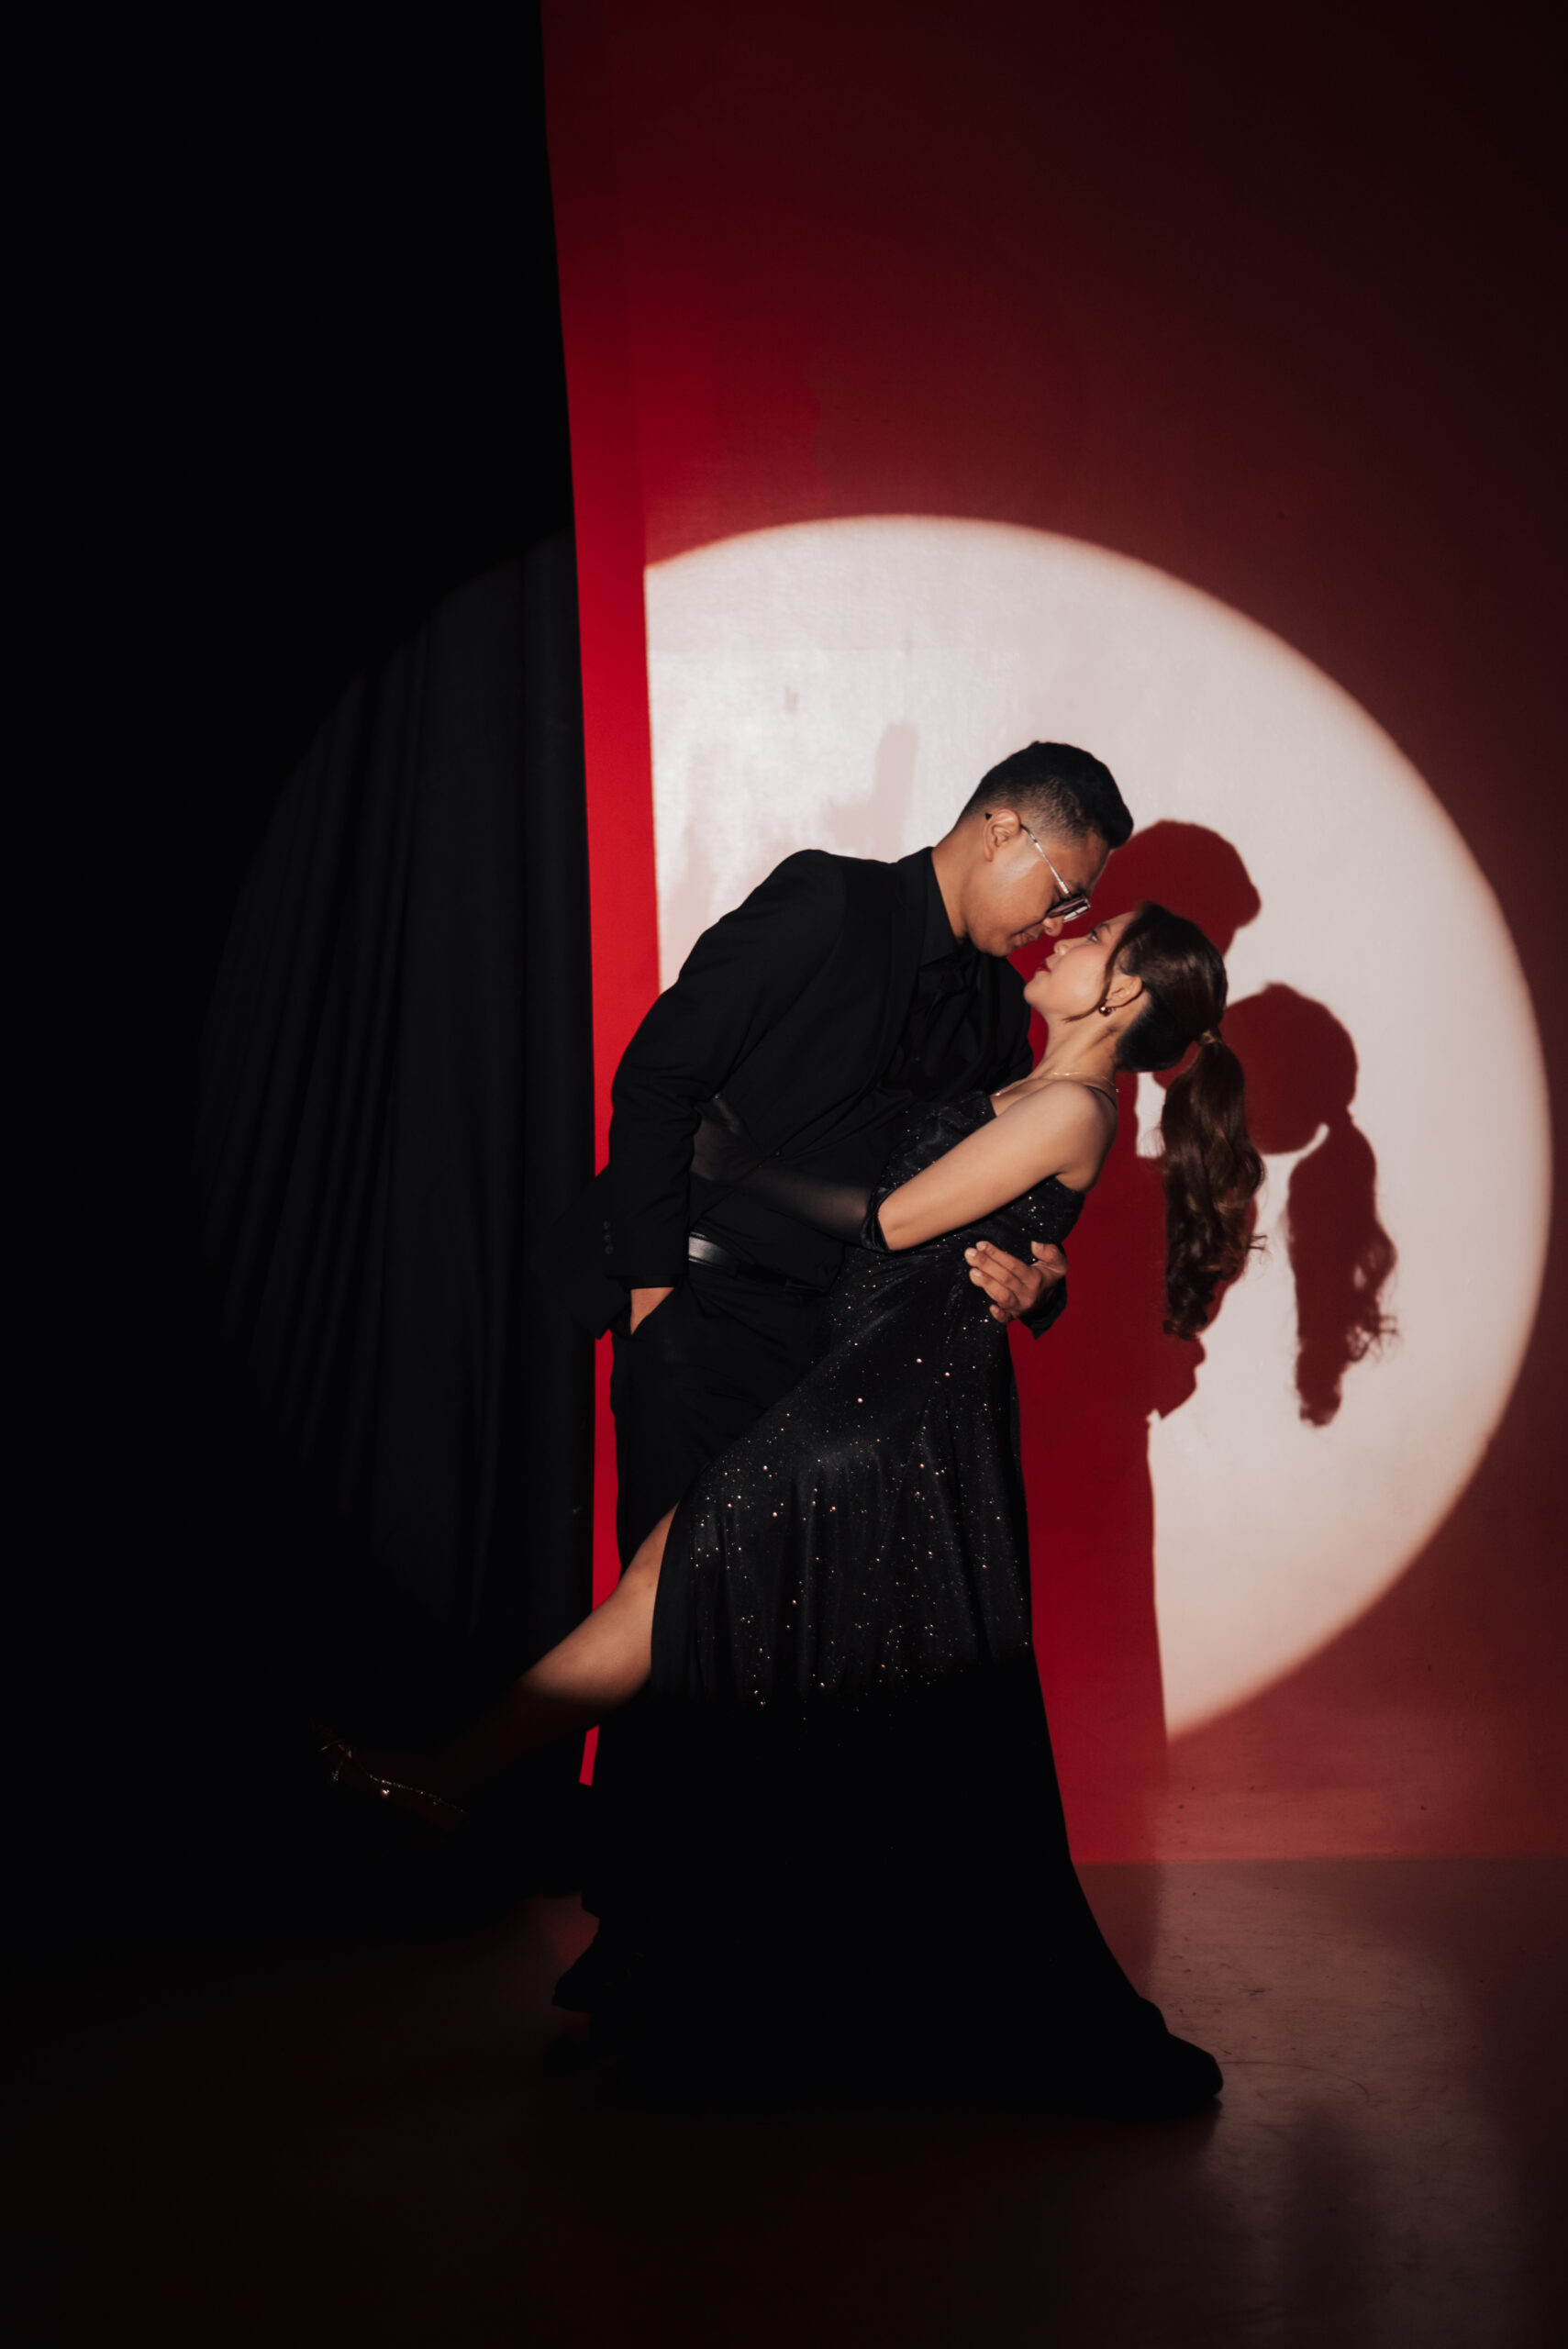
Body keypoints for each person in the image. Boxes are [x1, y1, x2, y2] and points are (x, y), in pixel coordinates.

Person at [322, 898, 1264, 2117]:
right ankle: (490, 1802)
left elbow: (895, 1220)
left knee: (677, 1593)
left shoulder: (1076, 1109)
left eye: (1095, 940)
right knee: (701, 1612)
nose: (1063, 940)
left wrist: (734, 1165)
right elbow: (953, 1220)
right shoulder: (1031, 1088)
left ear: (1122, 994)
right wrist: (1041, 1271)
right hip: (858, 1390)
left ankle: (454, 1779)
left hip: (889, 1415)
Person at [554, 741, 1132, 2011]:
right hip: (701, 1308)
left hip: (837, 1366)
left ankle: (756, 1949)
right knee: (669, 1626)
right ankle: (633, 1950)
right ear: (1001, 828)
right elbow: (659, 1074)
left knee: (777, 1644)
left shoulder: (997, 1015)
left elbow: (990, 1199)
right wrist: (652, 1304)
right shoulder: (828, 903)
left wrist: (1044, 1286)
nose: (1061, 922)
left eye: (1083, 911)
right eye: (1064, 891)